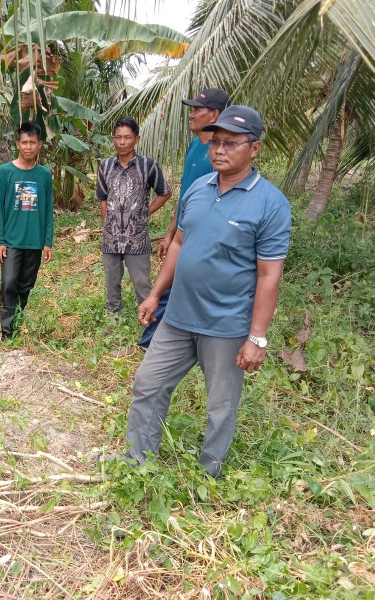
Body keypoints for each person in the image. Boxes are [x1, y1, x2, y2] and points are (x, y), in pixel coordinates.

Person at [125, 105, 292, 478]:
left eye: (231, 143)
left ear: (255, 149)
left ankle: (208, 473)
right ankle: (137, 462)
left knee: (220, 405)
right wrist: (154, 295)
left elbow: (269, 276)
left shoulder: (270, 203)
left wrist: (257, 338)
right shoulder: (198, 189)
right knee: (148, 385)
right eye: (215, 142)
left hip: (226, 324)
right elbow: (181, 244)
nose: (219, 149)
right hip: (179, 316)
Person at [139, 88, 230, 348]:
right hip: (183, 232)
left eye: (196, 110)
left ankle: (155, 341)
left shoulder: (219, 156)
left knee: (176, 286)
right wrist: (170, 235)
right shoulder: (195, 146)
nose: (191, 115)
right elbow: (185, 196)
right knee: (173, 285)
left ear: (214, 114)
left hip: (203, 236)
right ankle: (155, 340)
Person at [97, 117, 171, 325]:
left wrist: (145, 213)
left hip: (136, 238)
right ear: (113, 139)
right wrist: (106, 225)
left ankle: (150, 324)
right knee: (112, 283)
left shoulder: (148, 166)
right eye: (118, 137)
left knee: (142, 283)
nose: (122, 142)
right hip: (111, 238)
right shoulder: (105, 167)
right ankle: (113, 321)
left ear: (136, 139)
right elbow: (103, 198)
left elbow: (165, 193)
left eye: (127, 137)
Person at [0, 121, 54, 339]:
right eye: (24, 142)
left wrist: (48, 241)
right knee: (9, 283)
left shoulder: (44, 175)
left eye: (33, 142)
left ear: (39, 145)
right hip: (11, 241)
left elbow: (47, 210)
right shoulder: (5, 172)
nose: (28, 147)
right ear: (17, 144)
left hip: (34, 241)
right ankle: (6, 332)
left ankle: (16, 323)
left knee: (26, 285)